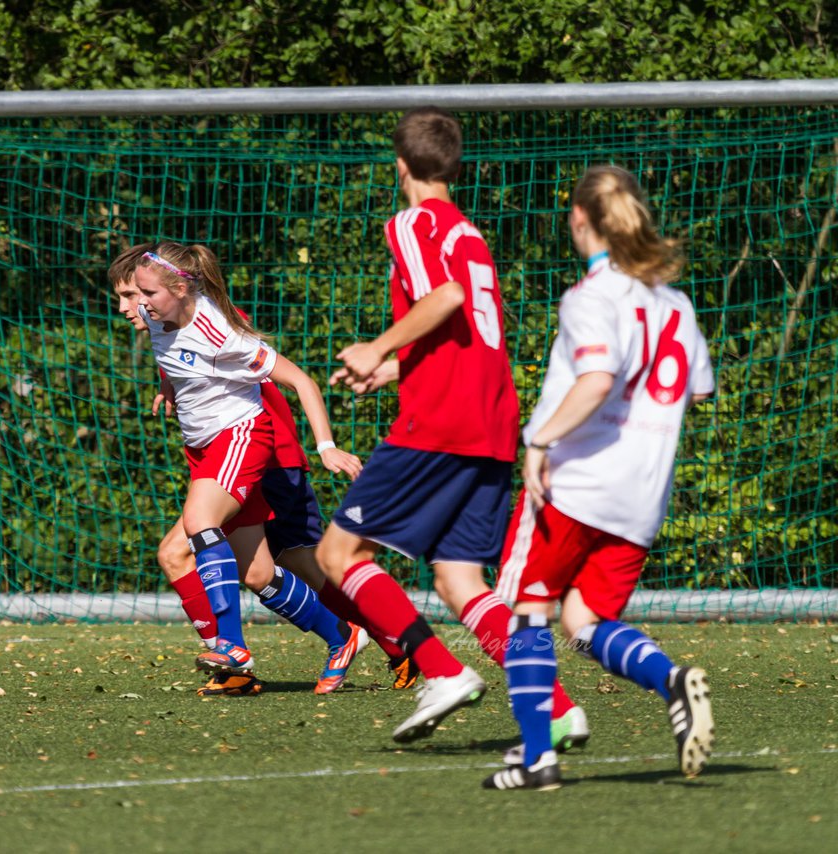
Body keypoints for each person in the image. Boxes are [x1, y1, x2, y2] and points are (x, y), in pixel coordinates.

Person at [318, 106, 584, 747]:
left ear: (402, 166)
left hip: (440, 424)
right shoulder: (469, 232)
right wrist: (394, 368)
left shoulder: (414, 222)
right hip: (493, 425)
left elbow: (446, 300)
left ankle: (441, 672)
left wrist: (376, 347)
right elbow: (462, 332)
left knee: (338, 553)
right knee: (459, 578)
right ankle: (556, 707)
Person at [482, 165, 716, 791]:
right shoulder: (677, 302)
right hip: (642, 494)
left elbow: (597, 379)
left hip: (576, 484)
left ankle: (538, 758)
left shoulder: (590, 296)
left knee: (522, 612)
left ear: (580, 218)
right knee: (584, 619)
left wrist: (540, 439)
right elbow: (695, 391)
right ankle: (671, 681)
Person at [110, 246, 415, 695]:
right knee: (257, 572)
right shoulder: (161, 315)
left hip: (255, 447)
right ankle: (339, 637)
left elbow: (298, 381)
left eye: (134, 294)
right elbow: (173, 355)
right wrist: (168, 387)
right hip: (211, 449)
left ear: (176, 287)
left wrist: (326, 447)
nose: (127, 306)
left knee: (281, 556)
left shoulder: (218, 329)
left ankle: (392, 640)